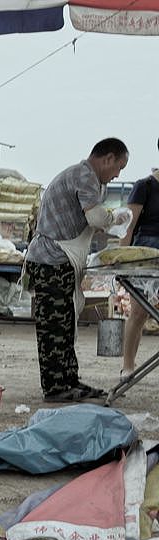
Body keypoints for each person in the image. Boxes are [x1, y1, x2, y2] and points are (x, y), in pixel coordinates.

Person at [24, 137, 129, 402]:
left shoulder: (87, 178)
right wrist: (114, 218)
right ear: (108, 158)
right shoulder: (85, 176)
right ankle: (55, 387)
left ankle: (69, 380)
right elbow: (95, 217)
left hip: (59, 261)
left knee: (66, 325)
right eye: (119, 167)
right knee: (54, 329)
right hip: (50, 261)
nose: (117, 175)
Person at [121, 138, 159, 378]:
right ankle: (128, 365)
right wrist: (120, 260)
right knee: (139, 312)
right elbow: (128, 226)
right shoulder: (144, 186)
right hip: (146, 252)